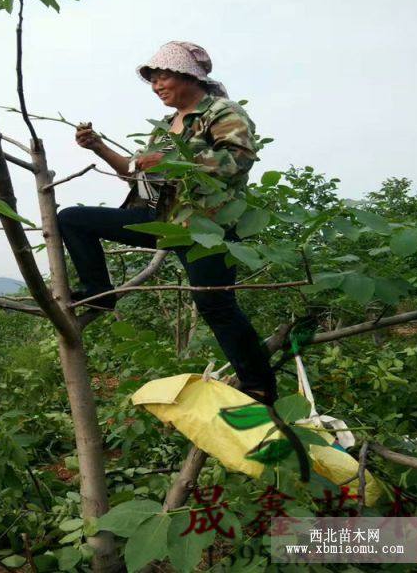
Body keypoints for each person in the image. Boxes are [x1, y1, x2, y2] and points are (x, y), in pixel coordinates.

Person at [57, 41, 277, 405]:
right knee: (73, 220)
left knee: (216, 307)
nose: (157, 86)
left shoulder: (222, 112)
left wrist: (169, 162)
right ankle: (100, 293)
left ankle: (260, 387)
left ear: (188, 76)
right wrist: (97, 146)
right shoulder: (165, 127)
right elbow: (137, 174)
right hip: (161, 219)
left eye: (163, 77)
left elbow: (236, 160)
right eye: (153, 80)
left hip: (207, 227)